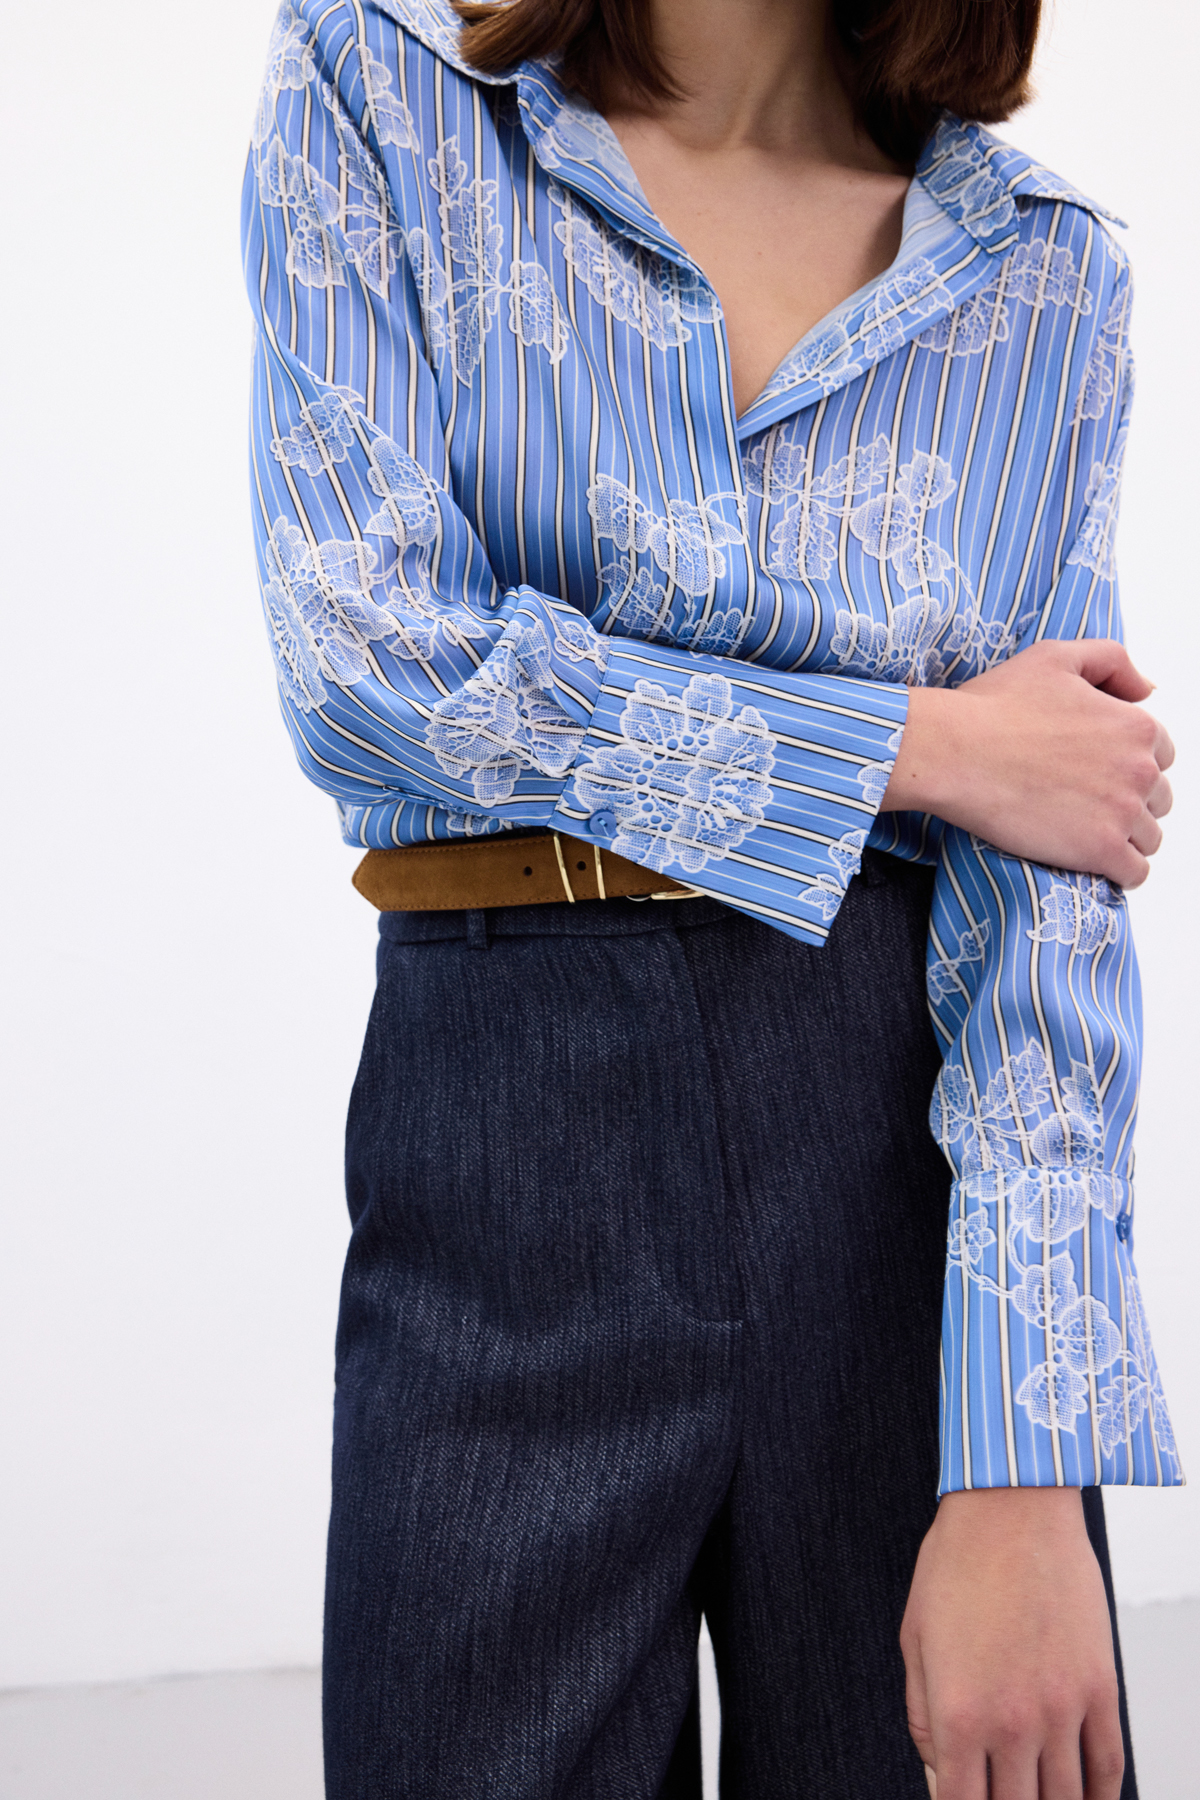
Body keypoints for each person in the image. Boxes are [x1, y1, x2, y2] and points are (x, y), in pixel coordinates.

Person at [242, 0, 1181, 1793]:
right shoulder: (383, 90)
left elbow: (1048, 862)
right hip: (507, 1106)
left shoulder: (1042, 270)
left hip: (900, 1143)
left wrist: (1024, 1460)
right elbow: (368, 667)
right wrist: (918, 744)